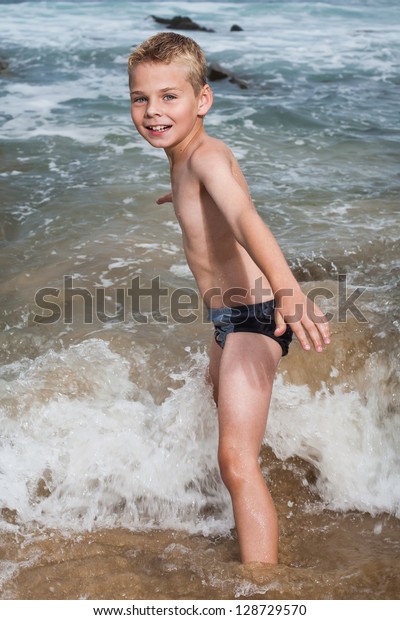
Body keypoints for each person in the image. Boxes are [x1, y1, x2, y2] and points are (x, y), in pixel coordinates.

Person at [127, 32, 331, 564]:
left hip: (257, 317)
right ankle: (283, 493)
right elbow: (225, 199)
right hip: (229, 320)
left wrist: (291, 295)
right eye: (140, 98)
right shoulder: (187, 157)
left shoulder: (206, 157)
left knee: (236, 460)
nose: (153, 111)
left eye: (169, 97)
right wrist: (186, 196)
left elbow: (244, 216)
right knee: (220, 418)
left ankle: (260, 591)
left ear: (203, 100)